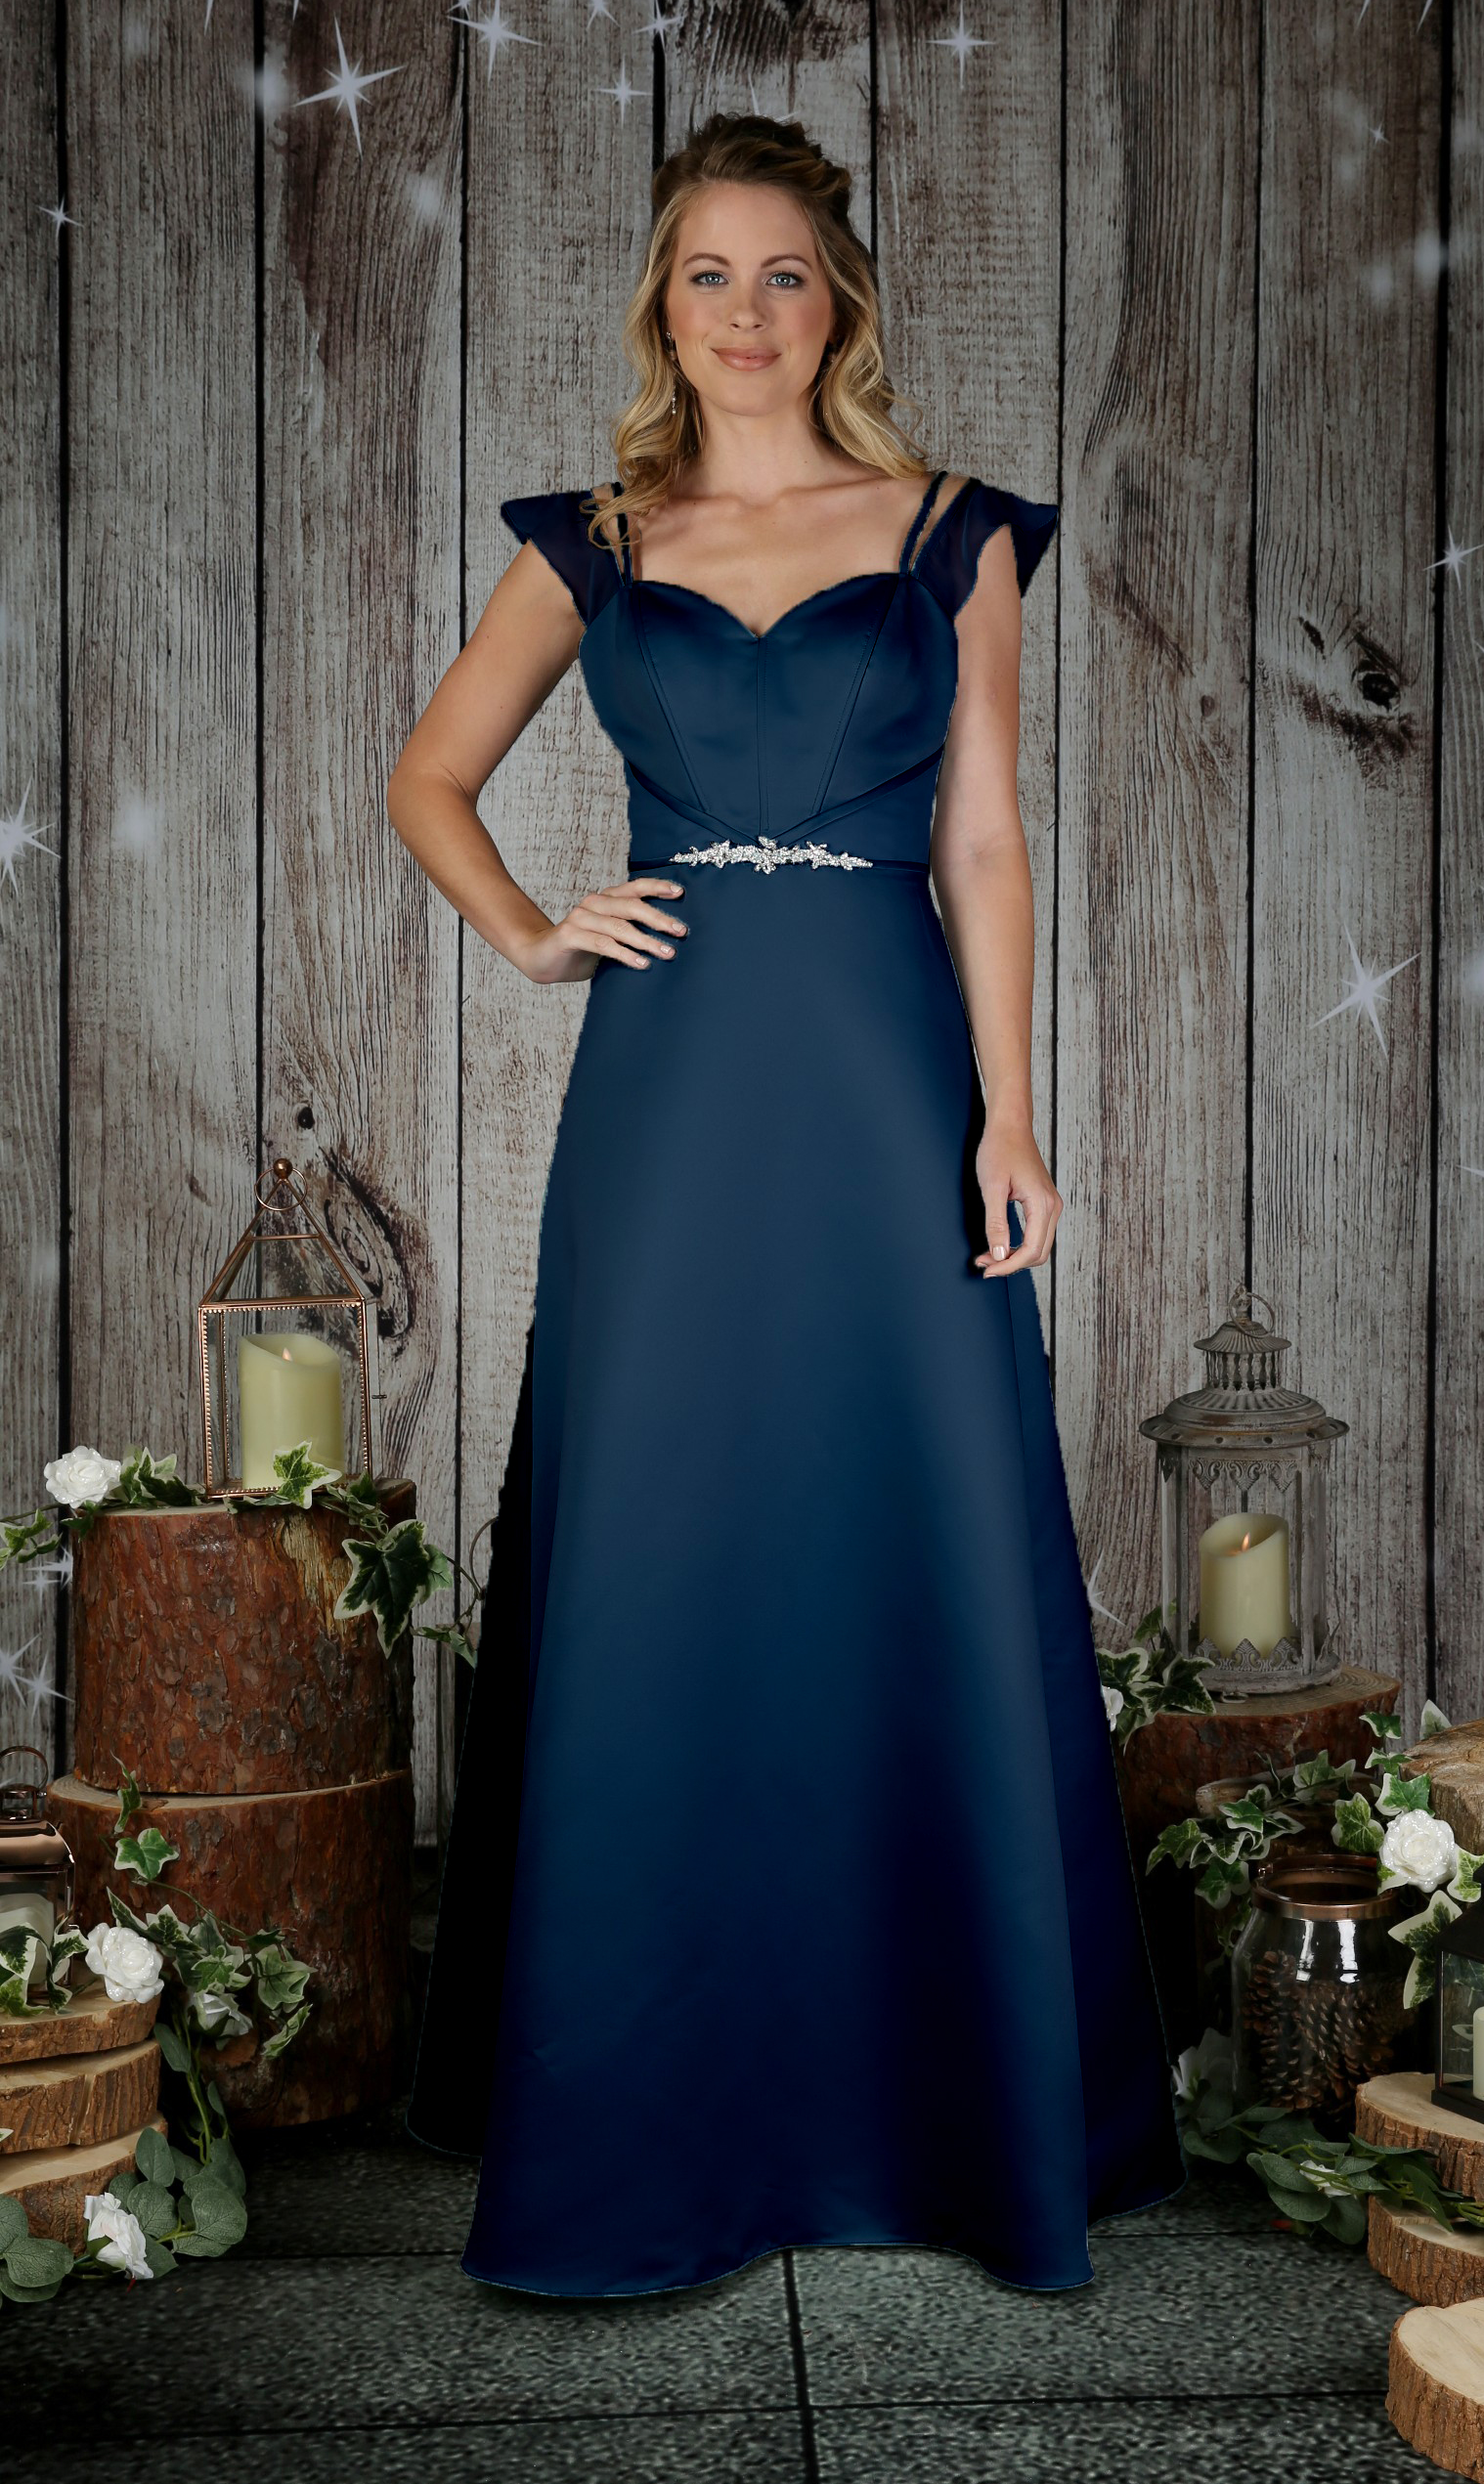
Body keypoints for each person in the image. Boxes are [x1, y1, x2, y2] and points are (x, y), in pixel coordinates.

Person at [387, 111, 1184, 2297]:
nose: (746, 311)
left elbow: (982, 839)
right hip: (667, 1095)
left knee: (902, 1518)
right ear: (663, 306)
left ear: (840, 306)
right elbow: (427, 776)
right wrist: (535, 929)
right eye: (707, 274)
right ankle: (648, 2110)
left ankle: (940, 2103)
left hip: (881, 1075)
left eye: (785, 274)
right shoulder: (595, 541)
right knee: (666, 1525)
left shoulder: (949, 534)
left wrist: (1008, 1116)